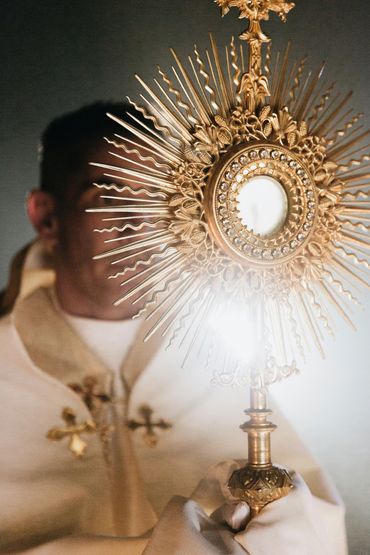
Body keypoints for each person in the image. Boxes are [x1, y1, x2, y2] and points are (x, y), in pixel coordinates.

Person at [0, 102, 347, 554]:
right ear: (47, 217)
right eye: (108, 197)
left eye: (154, 199)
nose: (137, 225)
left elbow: (314, 530)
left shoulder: (215, 356)